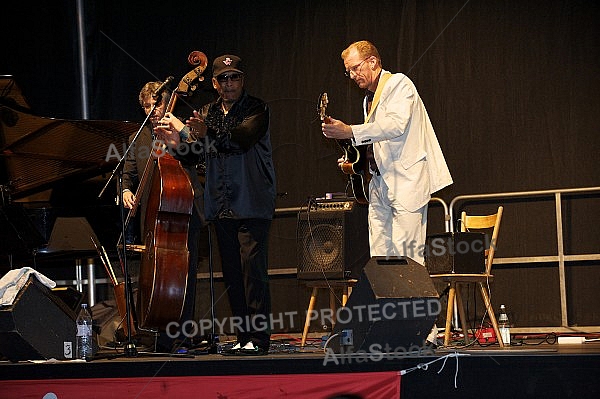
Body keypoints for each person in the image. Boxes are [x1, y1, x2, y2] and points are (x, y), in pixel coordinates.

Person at [155, 54, 276, 356]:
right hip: (220, 205)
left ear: (242, 80)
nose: (229, 83)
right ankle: (243, 336)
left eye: (234, 77)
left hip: (250, 202)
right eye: (223, 78)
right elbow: (196, 154)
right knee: (233, 273)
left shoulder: (256, 108)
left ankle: (258, 340)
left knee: (252, 271)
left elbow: (241, 139)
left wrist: (204, 133)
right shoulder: (207, 111)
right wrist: (175, 143)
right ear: (215, 83)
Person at [321, 40, 452, 266]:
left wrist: (350, 131)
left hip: (406, 182)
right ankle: (386, 302)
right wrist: (353, 155)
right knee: (380, 257)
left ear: (372, 61)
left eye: (355, 68)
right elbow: (375, 142)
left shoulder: (400, 84)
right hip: (379, 184)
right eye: (348, 71)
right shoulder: (368, 99)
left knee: (407, 258)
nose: (352, 75)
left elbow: (395, 126)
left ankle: (411, 302)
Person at [121, 81, 206, 349]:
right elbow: (129, 170)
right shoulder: (140, 137)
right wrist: (125, 189)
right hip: (154, 215)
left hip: (184, 211)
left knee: (185, 275)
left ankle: (182, 333)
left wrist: (180, 137)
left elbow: (197, 155)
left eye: (155, 104)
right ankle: (154, 329)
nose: (152, 111)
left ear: (167, 102)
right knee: (154, 274)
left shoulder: (182, 130)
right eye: (146, 107)